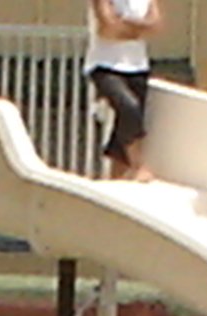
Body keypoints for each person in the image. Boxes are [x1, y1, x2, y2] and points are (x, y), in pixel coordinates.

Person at [85, 0, 164, 182]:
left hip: (138, 67)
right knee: (129, 108)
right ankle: (138, 165)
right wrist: (140, 29)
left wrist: (125, 24)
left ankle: (117, 177)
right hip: (105, 66)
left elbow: (156, 26)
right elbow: (108, 28)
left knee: (124, 125)